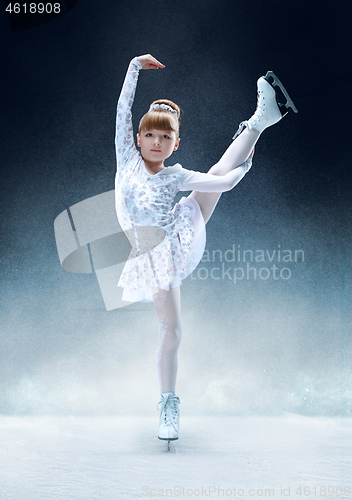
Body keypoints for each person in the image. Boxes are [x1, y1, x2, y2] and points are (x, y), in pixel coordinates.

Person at [114, 54, 297, 443]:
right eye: (150, 134)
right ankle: (261, 121)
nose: (157, 142)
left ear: (175, 143)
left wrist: (244, 169)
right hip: (152, 255)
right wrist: (133, 67)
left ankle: (260, 122)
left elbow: (225, 184)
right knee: (172, 330)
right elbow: (123, 108)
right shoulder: (126, 158)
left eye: (166, 137)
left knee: (173, 329)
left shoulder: (174, 174)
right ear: (137, 138)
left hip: (175, 240)